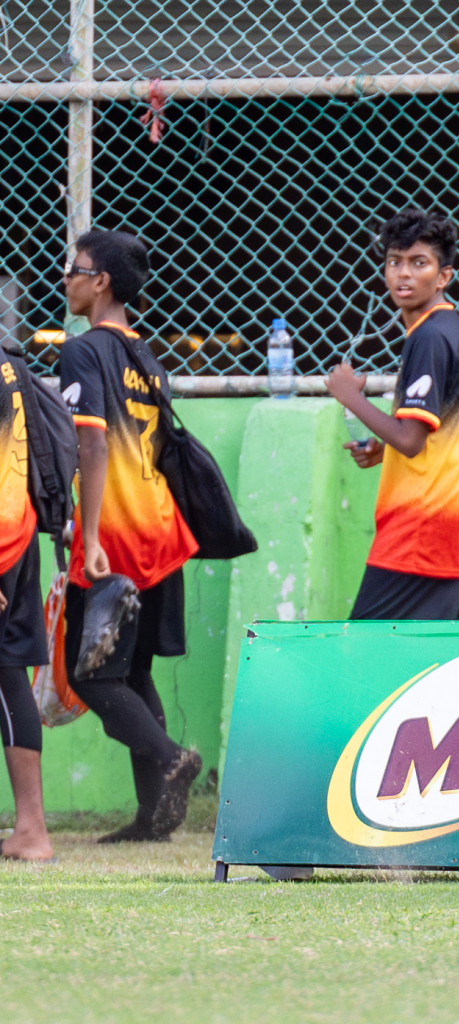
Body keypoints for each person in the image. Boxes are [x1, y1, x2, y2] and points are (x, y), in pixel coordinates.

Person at [59, 230, 203, 842]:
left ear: (102, 283)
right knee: (134, 673)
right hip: (163, 530)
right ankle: (154, 820)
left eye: (75, 269)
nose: (65, 278)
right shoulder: (146, 356)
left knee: (90, 675)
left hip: (114, 533)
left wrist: (87, 536)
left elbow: (91, 442)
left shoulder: (83, 350)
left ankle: (171, 758)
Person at [325, 210, 459, 620]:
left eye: (419, 263)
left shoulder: (430, 336)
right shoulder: (450, 328)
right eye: (394, 262)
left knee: (367, 658)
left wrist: (349, 395)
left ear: (443, 276)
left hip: (427, 532)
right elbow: (437, 432)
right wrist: (383, 449)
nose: (403, 274)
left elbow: (410, 439)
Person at [0, 349, 54, 860]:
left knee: (7, 676)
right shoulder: (11, 363)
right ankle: (31, 829)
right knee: (8, 674)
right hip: (20, 532)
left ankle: (33, 831)